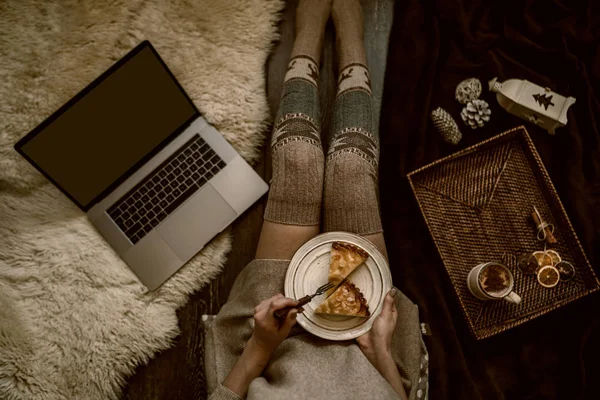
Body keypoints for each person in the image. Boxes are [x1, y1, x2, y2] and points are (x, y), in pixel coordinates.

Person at [205, 0, 429, 398]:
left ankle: (306, 46)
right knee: (349, 166)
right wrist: (380, 350)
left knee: (298, 157)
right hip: (368, 344)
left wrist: (261, 344)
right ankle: (352, 49)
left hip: (272, 341)